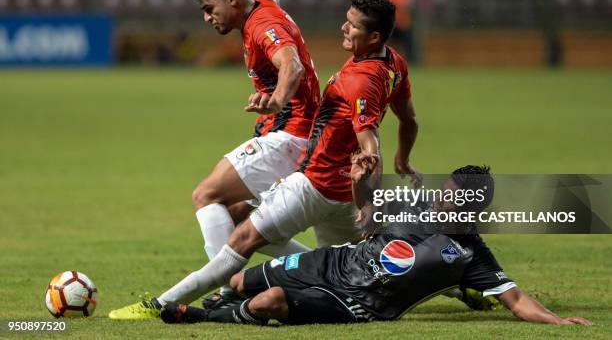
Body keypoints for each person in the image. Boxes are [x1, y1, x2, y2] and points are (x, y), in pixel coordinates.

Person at [110, 0, 421, 320]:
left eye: (353, 25)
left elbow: (370, 144)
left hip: (314, 186)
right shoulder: (393, 62)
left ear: (374, 36)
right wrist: (404, 158)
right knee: (352, 265)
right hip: (342, 196)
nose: (344, 27)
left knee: (239, 239)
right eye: (346, 19)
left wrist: (372, 197)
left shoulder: (361, 80)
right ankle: (455, 282)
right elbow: (409, 119)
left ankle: (158, 305)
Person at [109, 0, 320, 319]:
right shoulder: (262, 7)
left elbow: (292, 64)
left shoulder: (262, 24)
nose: (207, 18)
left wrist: (277, 99)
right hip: (302, 134)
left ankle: (227, 291)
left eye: (209, 9)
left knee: (206, 195)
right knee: (239, 219)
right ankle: (323, 267)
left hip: (291, 134)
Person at [159, 165, 592, 327]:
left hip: (356, 302)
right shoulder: (410, 204)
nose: (442, 197)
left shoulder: (470, 254)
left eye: (453, 195)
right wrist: (358, 181)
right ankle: (221, 304)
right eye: (444, 190)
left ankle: (203, 317)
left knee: (269, 300)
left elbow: (516, 299)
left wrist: (557, 321)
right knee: (237, 279)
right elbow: (363, 205)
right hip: (331, 261)